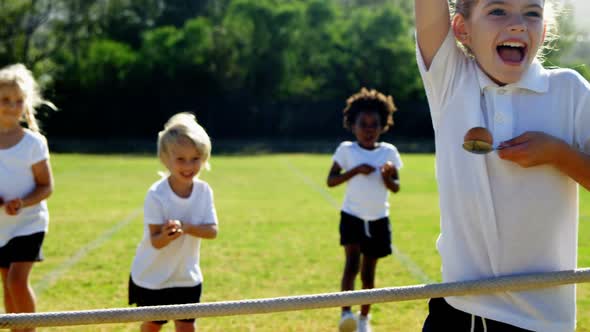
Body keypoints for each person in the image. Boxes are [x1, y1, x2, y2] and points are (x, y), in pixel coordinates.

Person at [414, 0, 590, 331]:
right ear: (462, 29)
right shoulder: (451, 83)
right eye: (498, 10)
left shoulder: (571, 92)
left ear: (544, 30)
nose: (517, 24)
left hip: (542, 322)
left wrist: (558, 154)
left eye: (532, 13)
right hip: (456, 310)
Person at [129, 112, 218, 332]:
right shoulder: (157, 195)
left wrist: (186, 227)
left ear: (204, 158)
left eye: (195, 158)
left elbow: (212, 231)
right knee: (153, 324)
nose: (188, 166)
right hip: (153, 275)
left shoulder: (204, 191)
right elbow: (156, 241)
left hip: (186, 275)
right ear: (165, 159)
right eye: (180, 159)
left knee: (187, 325)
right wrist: (167, 234)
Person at [326, 87, 403, 332]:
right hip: (352, 216)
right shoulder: (347, 150)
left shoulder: (388, 152)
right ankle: (345, 314)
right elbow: (331, 180)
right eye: (363, 124)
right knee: (351, 266)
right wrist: (355, 170)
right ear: (353, 124)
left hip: (379, 218)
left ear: (383, 126)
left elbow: (396, 187)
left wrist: (388, 175)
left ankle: (363, 319)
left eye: (374, 125)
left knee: (369, 273)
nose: (368, 129)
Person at [0, 63, 55, 332]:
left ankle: (28, 330)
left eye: (18, 100)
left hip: (29, 223)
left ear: (26, 105)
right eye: (5, 100)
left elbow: (45, 186)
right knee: (6, 282)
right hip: (0, 227)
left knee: (17, 281)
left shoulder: (33, 143)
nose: (12, 106)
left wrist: (22, 203)